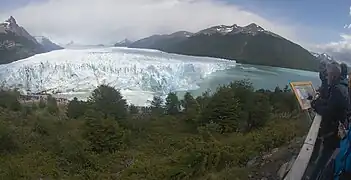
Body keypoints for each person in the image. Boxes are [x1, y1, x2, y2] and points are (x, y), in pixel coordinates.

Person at [311, 62, 350, 179]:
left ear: (333, 76)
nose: (326, 77)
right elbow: (331, 104)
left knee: (324, 159)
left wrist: (315, 106)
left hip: (333, 132)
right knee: (326, 157)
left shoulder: (337, 89)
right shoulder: (342, 86)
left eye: (327, 75)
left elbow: (329, 111)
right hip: (336, 129)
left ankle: (314, 177)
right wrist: (318, 103)